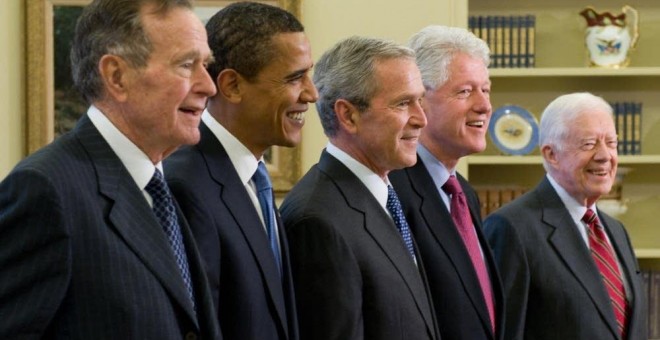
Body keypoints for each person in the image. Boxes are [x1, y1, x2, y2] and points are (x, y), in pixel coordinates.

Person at [0, 0, 219, 338]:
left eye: (206, 65)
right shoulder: (46, 190)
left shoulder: (159, 186)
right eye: (187, 65)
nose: (209, 86)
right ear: (117, 76)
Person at [163, 2, 317, 340]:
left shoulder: (253, 179)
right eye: (295, 78)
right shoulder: (185, 186)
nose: (311, 93)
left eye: (309, 75)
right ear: (231, 85)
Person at [280, 36, 439, 340]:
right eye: (403, 103)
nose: (421, 119)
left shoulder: (386, 196)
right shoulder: (318, 221)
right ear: (348, 115)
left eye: (420, 101)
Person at [483, 92, 647, 340]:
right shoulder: (511, 228)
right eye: (589, 144)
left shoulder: (615, 230)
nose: (605, 156)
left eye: (611, 143)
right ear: (551, 154)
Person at [389, 25, 504, 340]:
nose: (484, 105)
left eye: (486, 89)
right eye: (466, 91)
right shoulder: (393, 191)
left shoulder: (463, 192)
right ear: (421, 101)